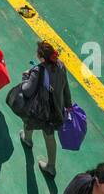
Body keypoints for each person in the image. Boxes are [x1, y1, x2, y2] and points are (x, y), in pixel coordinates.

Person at [17, 41, 74, 177]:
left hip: (39, 109)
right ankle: (51, 166)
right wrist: (68, 104)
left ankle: (27, 139)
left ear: (41, 57)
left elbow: (27, 90)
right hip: (55, 110)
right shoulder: (61, 65)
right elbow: (66, 88)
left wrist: (25, 76)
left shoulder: (38, 71)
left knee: (28, 121)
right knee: (49, 136)